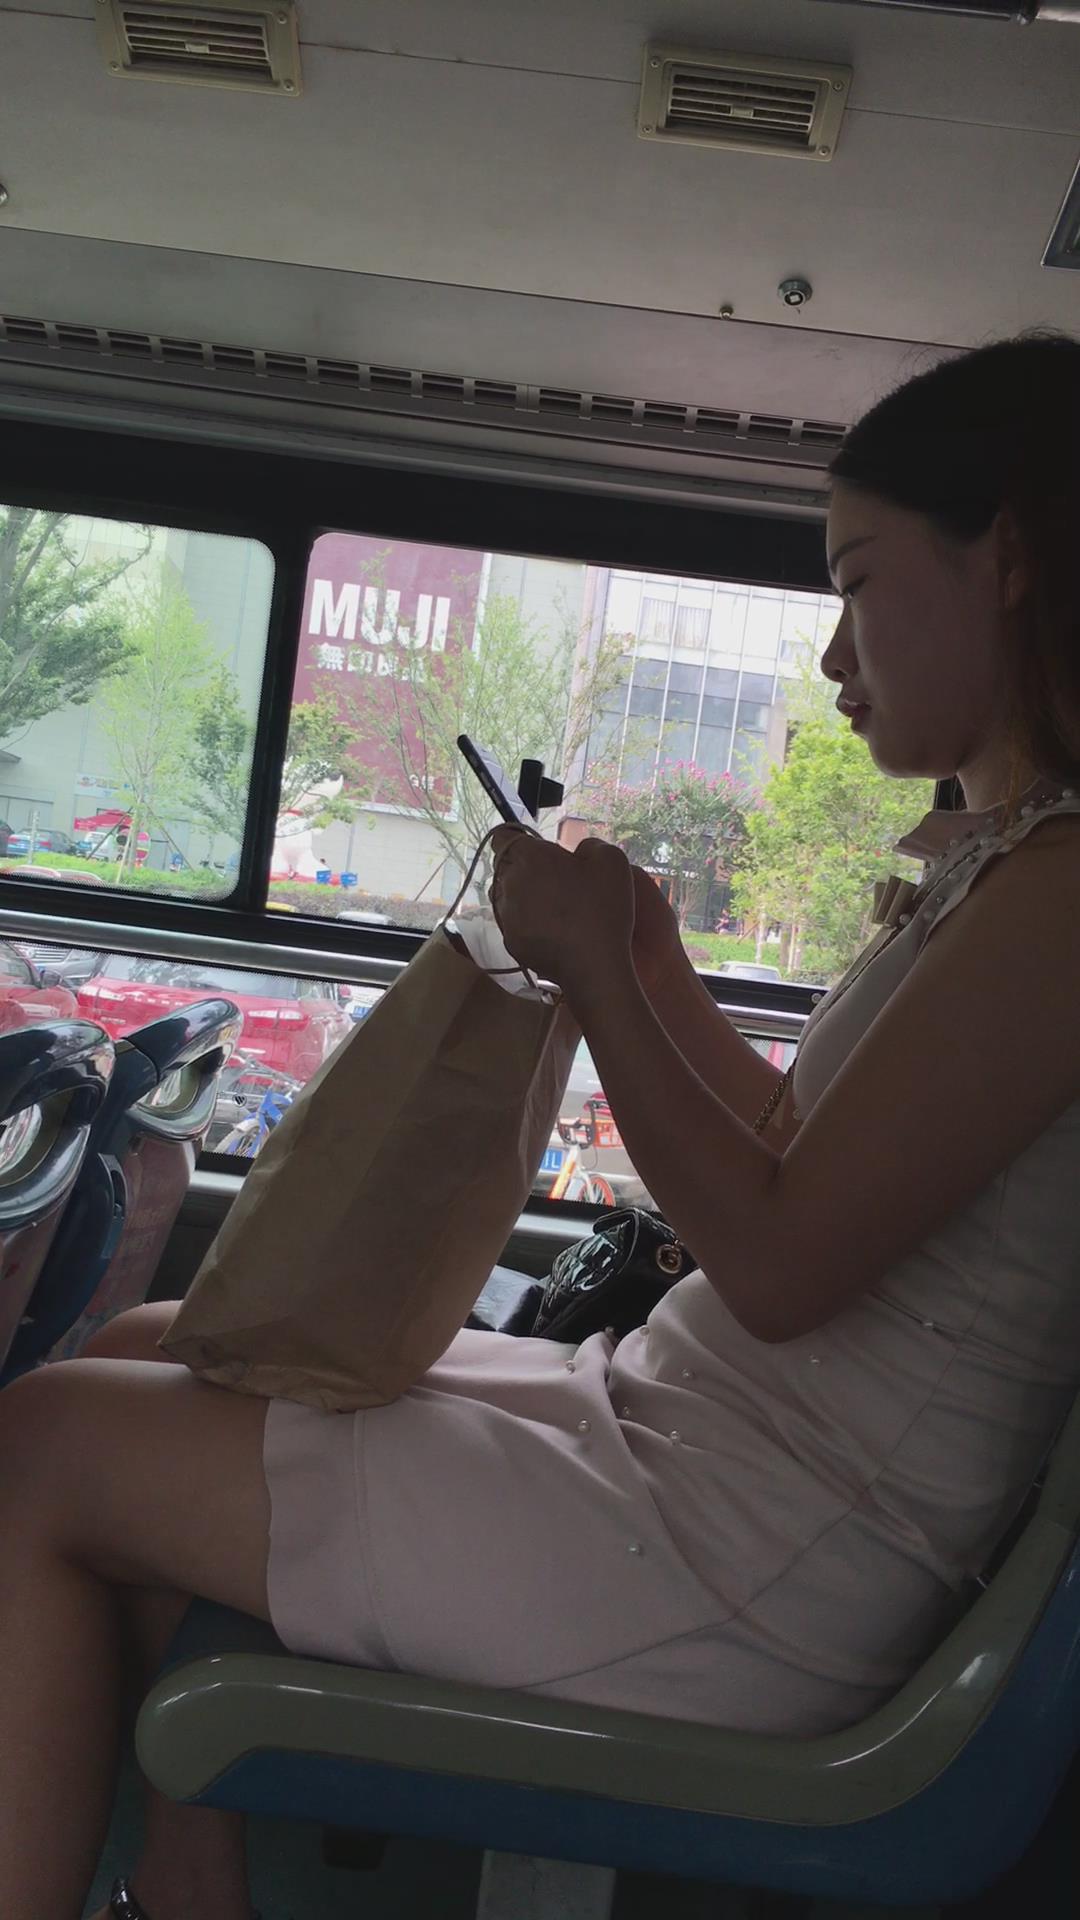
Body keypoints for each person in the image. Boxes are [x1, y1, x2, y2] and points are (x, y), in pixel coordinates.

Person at [3, 331, 1080, 1920]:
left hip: (752, 1557)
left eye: (858, 586)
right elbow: (800, 1146)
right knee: (169, 1339)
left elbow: (782, 1261)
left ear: (1011, 558)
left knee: (37, 1445)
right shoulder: (1011, 868)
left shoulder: (1059, 898)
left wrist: (600, 980)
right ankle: (188, 1889)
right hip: (699, 1444)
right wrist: (651, 966)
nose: (834, 657)